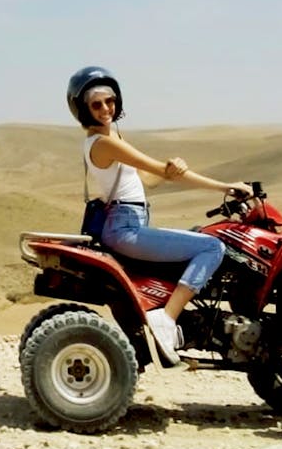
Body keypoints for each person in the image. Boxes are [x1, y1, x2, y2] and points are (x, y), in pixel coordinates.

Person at [67, 65, 252, 364]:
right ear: (83, 109)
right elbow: (160, 170)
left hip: (128, 223)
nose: (106, 108)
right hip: (125, 227)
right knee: (211, 246)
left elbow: (149, 179)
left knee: (199, 235)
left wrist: (170, 170)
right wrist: (226, 186)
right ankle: (166, 319)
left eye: (110, 101)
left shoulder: (109, 139)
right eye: (97, 104)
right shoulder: (105, 143)